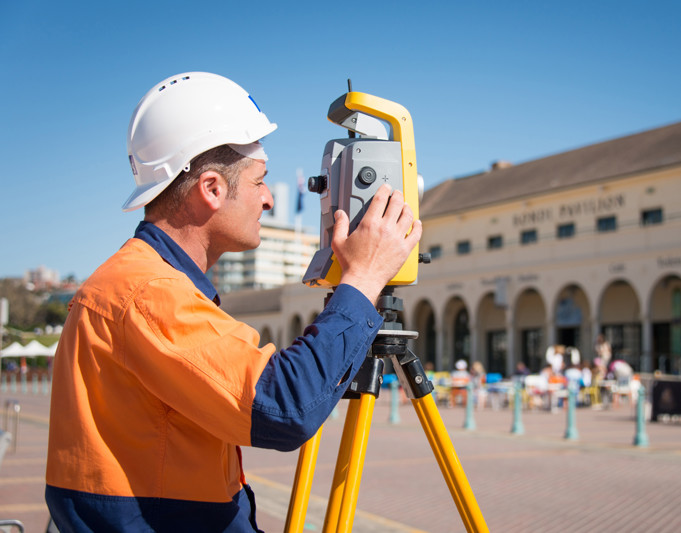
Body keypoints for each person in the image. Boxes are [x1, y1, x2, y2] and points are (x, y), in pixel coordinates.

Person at [44, 72, 422, 532]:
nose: (267, 199)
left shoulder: (143, 283)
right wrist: (363, 280)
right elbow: (285, 405)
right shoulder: (148, 293)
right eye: (260, 181)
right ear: (211, 189)